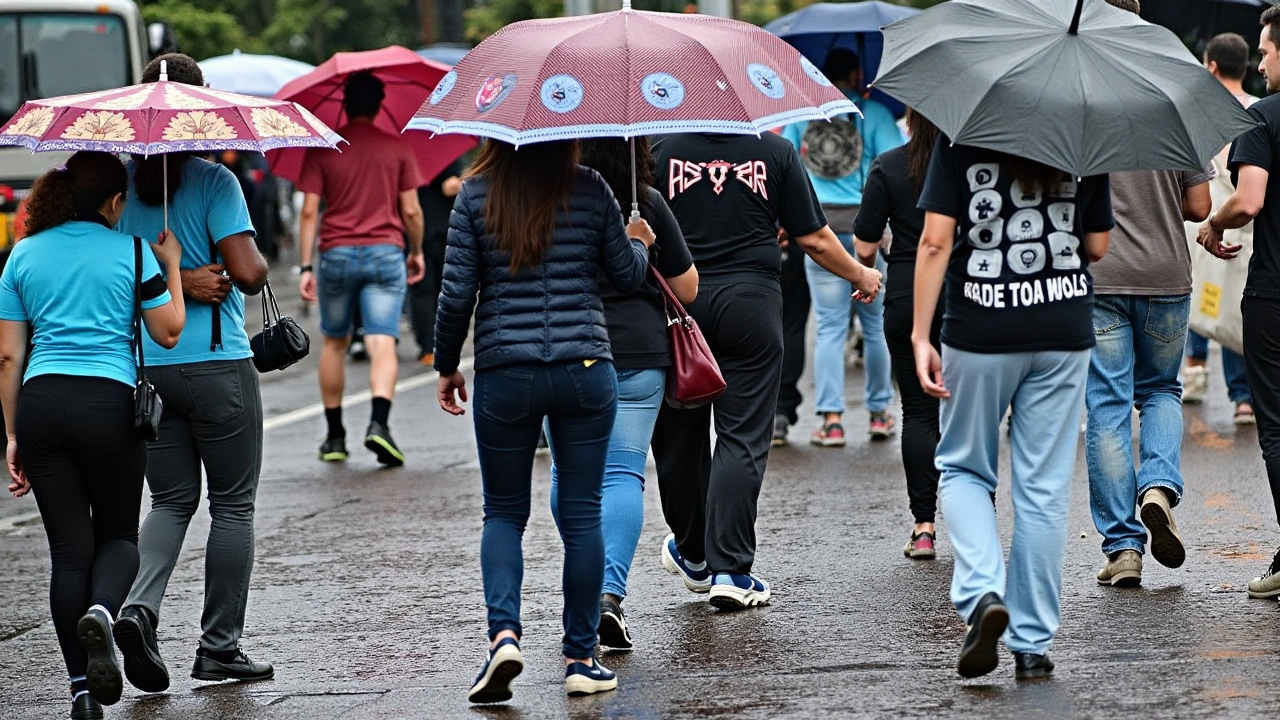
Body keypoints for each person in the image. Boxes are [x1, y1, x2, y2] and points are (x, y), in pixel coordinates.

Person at [433, 139, 656, 702]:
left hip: (507, 370)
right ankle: (581, 657)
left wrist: (446, 365)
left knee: (503, 513)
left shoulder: (474, 196)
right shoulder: (591, 188)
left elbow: (456, 293)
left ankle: (503, 636)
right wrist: (639, 243)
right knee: (583, 516)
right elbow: (628, 278)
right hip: (585, 368)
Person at [650, 132, 881, 610]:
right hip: (751, 304)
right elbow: (814, 237)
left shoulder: (660, 150)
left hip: (675, 306)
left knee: (678, 436)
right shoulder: (774, 152)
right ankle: (730, 570)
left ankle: (694, 554)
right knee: (740, 436)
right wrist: (860, 273)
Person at [914, 138, 1113, 680]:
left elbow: (935, 242)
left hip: (979, 329)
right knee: (1044, 489)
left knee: (963, 468)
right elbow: (1097, 245)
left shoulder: (961, 138)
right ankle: (1031, 644)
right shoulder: (1084, 137)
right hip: (1063, 328)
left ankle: (981, 593)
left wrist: (918, 335)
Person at [0, 152, 185, 720]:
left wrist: (12, 436)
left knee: (68, 554)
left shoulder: (22, 255)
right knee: (120, 539)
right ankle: (104, 614)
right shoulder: (132, 251)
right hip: (107, 405)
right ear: (114, 201)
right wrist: (171, 265)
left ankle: (82, 693)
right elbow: (169, 331)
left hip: (41, 406)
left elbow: (8, 356)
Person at [112, 54, 274, 693]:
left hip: (150, 366)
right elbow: (254, 271)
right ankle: (218, 648)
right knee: (233, 505)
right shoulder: (213, 181)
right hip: (215, 363)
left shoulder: (117, 188)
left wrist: (168, 276)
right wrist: (199, 275)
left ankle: (138, 609)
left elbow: (121, 276)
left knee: (172, 500)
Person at [548, 137, 697, 650]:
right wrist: (641, 243)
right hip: (637, 353)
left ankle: (583, 589)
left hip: (564, 349)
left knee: (568, 473)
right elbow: (688, 287)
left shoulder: (548, 196)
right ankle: (609, 595)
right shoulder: (645, 201)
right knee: (623, 473)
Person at [297, 70, 426, 466]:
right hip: (386, 253)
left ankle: (335, 437)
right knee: (382, 340)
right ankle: (379, 425)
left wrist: (305, 266)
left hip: (335, 254)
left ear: (344, 104)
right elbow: (410, 210)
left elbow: (308, 212)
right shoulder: (397, 147)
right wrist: (416, 250)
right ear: (380, 104)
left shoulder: (323, 149)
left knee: (335, 342)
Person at [1196, 5, 1280, 600]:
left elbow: (1248, 201)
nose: (1262, 60)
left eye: (1268, 51)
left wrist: (1211, 225)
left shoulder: (1262, 118)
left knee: (1275, 429)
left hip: (1275, 293)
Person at [781, 48, 903, 444]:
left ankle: (832, 420)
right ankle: (879, 414)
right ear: (857, 73)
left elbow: (790, 170)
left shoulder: (802, 116)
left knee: (830, 328)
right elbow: (890, 168)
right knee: (876, 326)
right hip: (869, 228)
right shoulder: (876, 115)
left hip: (821, 234)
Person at [853, 108, 942, 560]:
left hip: (907, 294)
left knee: (919, 413)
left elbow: (865, 245)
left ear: (909, 115)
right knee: (971, 415)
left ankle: (924, 528)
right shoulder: (969, 160)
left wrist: (874, 264)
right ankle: (975, 519)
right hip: (969, 294)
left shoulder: (887, 166)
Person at [1184, 32, 1258, 424]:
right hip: (1245, 227)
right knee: (1233, 305)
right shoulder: (1259, 110)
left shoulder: (1197, 112)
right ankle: (1243, 397)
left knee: (1199, 295)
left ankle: (1193, 374)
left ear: (1211, 66)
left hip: (1205, 221)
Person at [409, 158, 465, 366]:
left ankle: (426, 346)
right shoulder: (446, 151)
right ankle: (441, 343)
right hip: (444, 229)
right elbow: (450, 186)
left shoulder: (410, 152)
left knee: (421, 289)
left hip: (418, 230)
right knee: (444, 289)